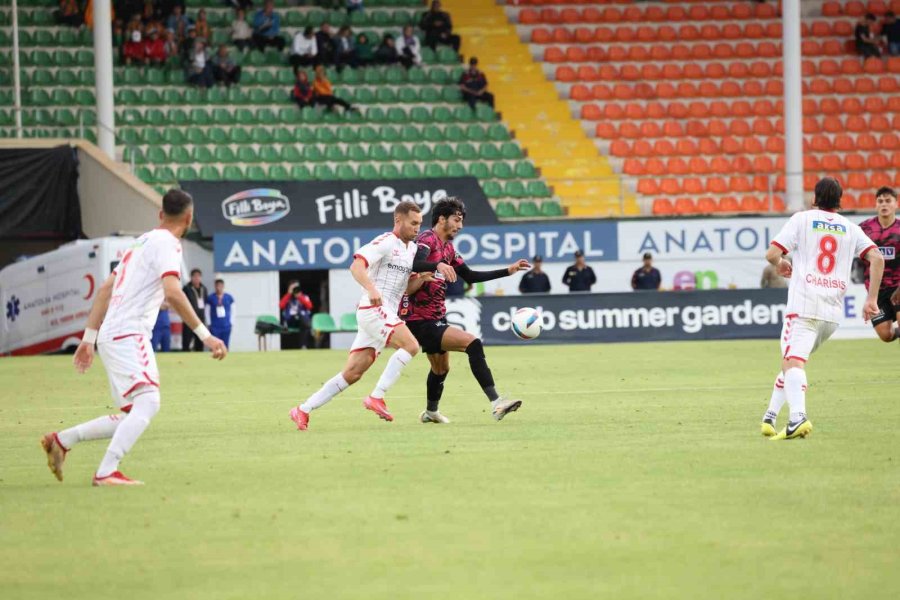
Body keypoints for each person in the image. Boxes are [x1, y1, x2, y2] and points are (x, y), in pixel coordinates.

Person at [39, 190, 227, 487]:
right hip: (129, 332)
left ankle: (62, 440)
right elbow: (173, 291)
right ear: (189, 219)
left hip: (111, 335)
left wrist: (89, 339)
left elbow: (104, 290)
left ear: (160, 214)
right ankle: (105, 472)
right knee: (149, 402)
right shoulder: (169, 244)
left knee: (133, 412)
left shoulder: (138, 244)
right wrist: (207, 336)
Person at [761, 177, 883, 440]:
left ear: (815, 198)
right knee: (792, 363)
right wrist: (871, 298)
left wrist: (782, 263)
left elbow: (771, 254)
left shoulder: (802, 219)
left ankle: (797, 418)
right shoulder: (849, 228)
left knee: (792, 363)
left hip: (804, 306)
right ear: (840, 199)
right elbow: (877, 257)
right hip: (831, 314)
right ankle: (769, 417)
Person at [288, 201, 426, 431]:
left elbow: (405, 289)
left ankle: (302, 409)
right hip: (374, 310)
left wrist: (421, 279)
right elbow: (356, 266)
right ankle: (376, 397)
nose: (417, 228)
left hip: (385, 314)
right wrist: (371, 289)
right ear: (398, 220)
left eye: (419, 224)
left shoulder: (411, 249)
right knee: (411, 346)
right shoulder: (385, 242)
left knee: (352, 374)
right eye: (413, 223)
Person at [402, 197, 531, 424]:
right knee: (473, 343)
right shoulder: (426, 239)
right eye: (456, 219)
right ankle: (496, 402)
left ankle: (431, 412)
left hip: (435, 317)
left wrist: (507, 271)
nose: (460, 226)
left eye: (461, 221)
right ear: (442, 219)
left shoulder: (449, 249)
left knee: (441, 369)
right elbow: (415, 264)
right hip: (420, 319)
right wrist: (437, 265)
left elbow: (470, 276)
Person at [859, 186, 900, 342]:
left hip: (898, 287)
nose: (884, 204)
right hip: (877, 291)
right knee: (886, 335)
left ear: (896, 204)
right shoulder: (864, 229)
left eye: (888, 201)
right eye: (880, 201)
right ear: (875, 204)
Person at [280, 282, 313, 348]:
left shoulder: (304, 297)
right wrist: (289, 294)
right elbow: (281, 305)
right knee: (306, 324)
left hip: (301, 320)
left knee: (304, 323)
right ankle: (311, 327)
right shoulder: (287, 297)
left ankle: (303, 346)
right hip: (290, 320)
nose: (295, 290)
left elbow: (310, 306)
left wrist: (299, 297)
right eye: (293, 288)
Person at [182, 268, 208, 351]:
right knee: (187, 340)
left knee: (200, 340)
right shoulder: (186, 289)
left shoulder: (204, 288)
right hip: (189, 318)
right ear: (191, 277)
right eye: (195, 276)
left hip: (200, 318)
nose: (197, 278)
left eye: (198, 276)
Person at [206, 279, 234, 349]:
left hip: (226, 325)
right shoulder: (211, 298)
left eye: (220, 286)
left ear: (223, 286)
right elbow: (207, 311)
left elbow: (233, 311)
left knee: (225, 344)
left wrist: (232, 322)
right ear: (215, 287)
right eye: (217, 286)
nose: (219, 288)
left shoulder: (229, 297)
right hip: (215, 325)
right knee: (215, 345)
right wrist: (209, 323)